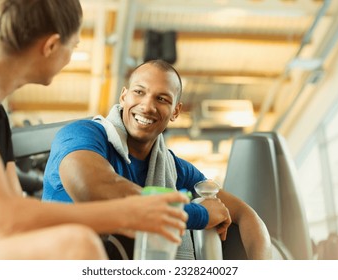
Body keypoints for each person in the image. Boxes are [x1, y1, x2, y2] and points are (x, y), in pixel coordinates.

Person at [0, 0, 189, 260]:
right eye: (73, 46)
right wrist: (126, 213)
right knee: (77, 244)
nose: (70, 56)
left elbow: (16, 212)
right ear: (51, 46)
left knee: (77, 241)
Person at [42, 59, 272, 260]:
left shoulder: (174, 169)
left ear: (175, 110)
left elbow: (246, 215)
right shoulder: (82, 135)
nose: (147, 106)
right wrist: (200, 215)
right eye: (139, 92)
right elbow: (92, 191)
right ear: (124, 96)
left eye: (161, 98)